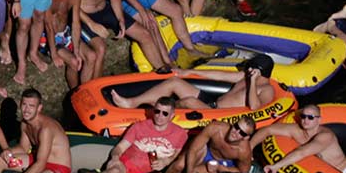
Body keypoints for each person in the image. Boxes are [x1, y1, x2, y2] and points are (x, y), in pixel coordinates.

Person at [87, 97, 188, 173]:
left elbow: (178, 156)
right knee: (115, 170)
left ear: (172, 116)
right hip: (127, 166)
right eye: (157, 111)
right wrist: (115, 158)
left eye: (165, 113)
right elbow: (120, 148)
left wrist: (166, 161)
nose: (159, 116)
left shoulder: (180, 133)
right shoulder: (139, 126)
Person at [113, 60, 274, 110]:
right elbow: (219, 75)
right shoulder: (244, 76)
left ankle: (157, 109)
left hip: (218, 114)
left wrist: (252, 82)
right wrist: (187, 72)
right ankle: (133, 102)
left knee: (188, 102)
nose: (248, 70)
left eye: (252, 69)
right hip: (212, 101)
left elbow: (254, 107)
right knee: (175, 82)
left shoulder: (267, 90)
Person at [161, 116, 256, 173]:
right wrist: (189, 172)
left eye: (242, 133)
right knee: (178, 166)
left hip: (221, 164)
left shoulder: (243, 151)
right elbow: (193, 149)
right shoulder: (216, 128)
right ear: (233, 124)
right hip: (206, 151)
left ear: (246, 137)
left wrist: (221, 168)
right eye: (236, 127)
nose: (236, 132)